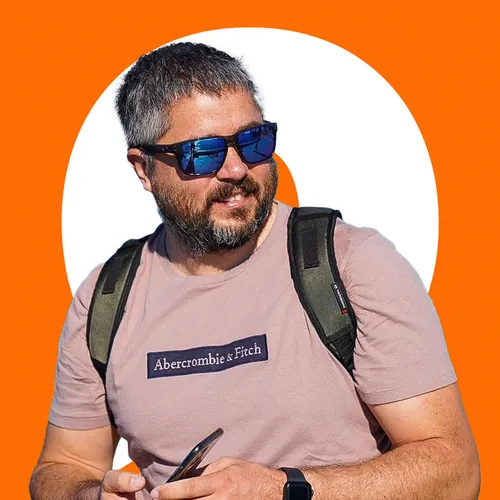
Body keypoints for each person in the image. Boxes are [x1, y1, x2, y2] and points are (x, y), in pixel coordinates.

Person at [30, 42, 480, 500]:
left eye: (253, 141)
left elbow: (456, 471)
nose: (236, 168)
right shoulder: (106, 298)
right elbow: (63, 467)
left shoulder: (350, 263)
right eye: (202, 153)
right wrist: (91, 495)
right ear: (143, 169)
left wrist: (283, 489)